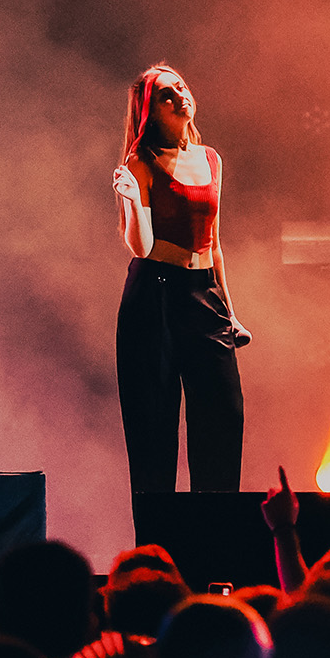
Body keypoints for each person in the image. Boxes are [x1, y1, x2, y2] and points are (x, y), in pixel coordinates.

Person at [113, 65, 247, 493]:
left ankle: (213, 532)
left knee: (223, 418)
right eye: (165, 95)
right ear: (150, 112)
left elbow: (215, 243)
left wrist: (230, 313)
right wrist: (132, 201)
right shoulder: (141, 161)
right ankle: (158, 534)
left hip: (203, 294)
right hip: (154, 295)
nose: (178, 97)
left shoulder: (210, 159)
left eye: (181, 87)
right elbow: (142, 247)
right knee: (153, 432)